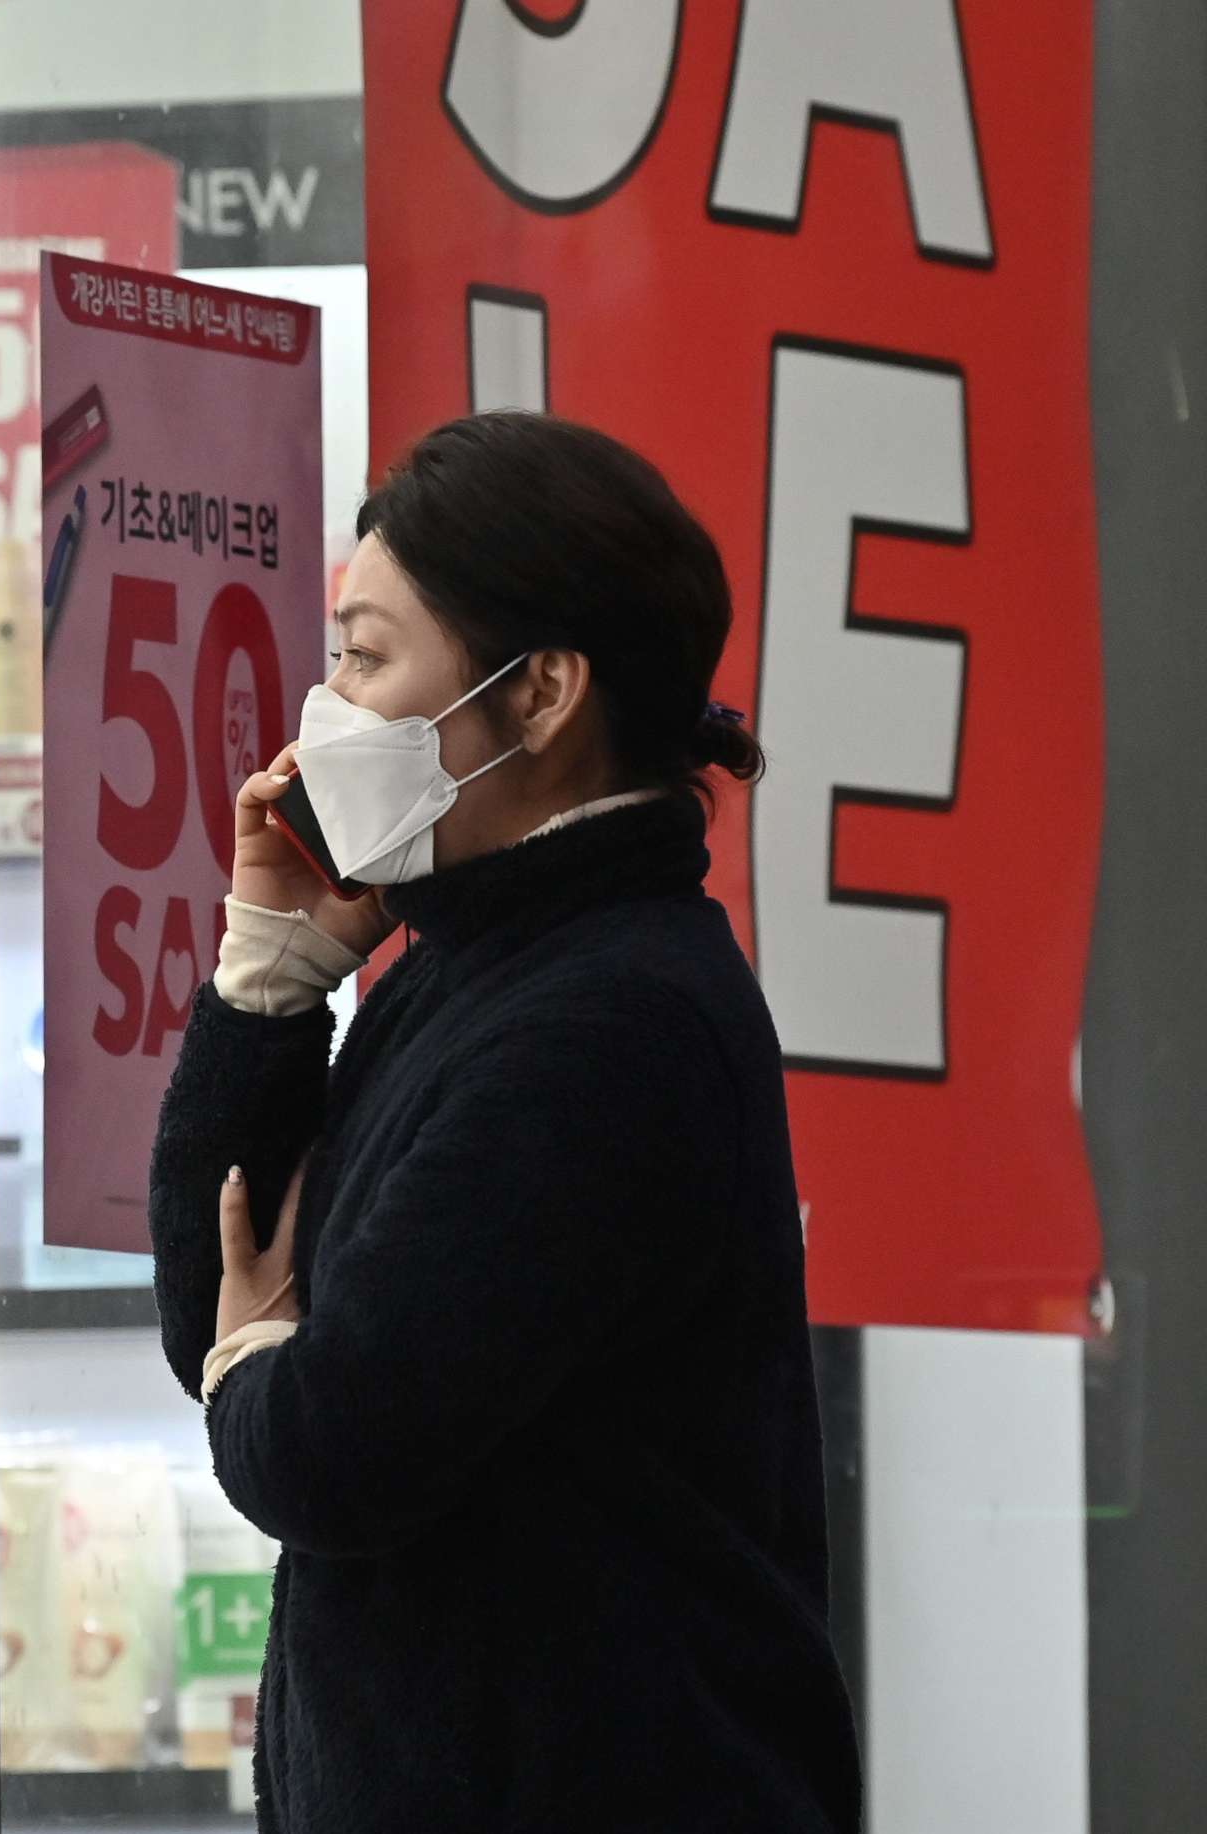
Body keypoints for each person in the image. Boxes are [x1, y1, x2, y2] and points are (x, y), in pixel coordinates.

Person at [149, 413, 862, 1831]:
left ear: (539, 693)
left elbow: (334, 1442)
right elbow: (215, 1315)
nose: (324, 705)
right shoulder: (473, 959)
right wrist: (274, 979)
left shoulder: (609, 1021)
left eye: (364, 654)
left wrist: (263, 1364)